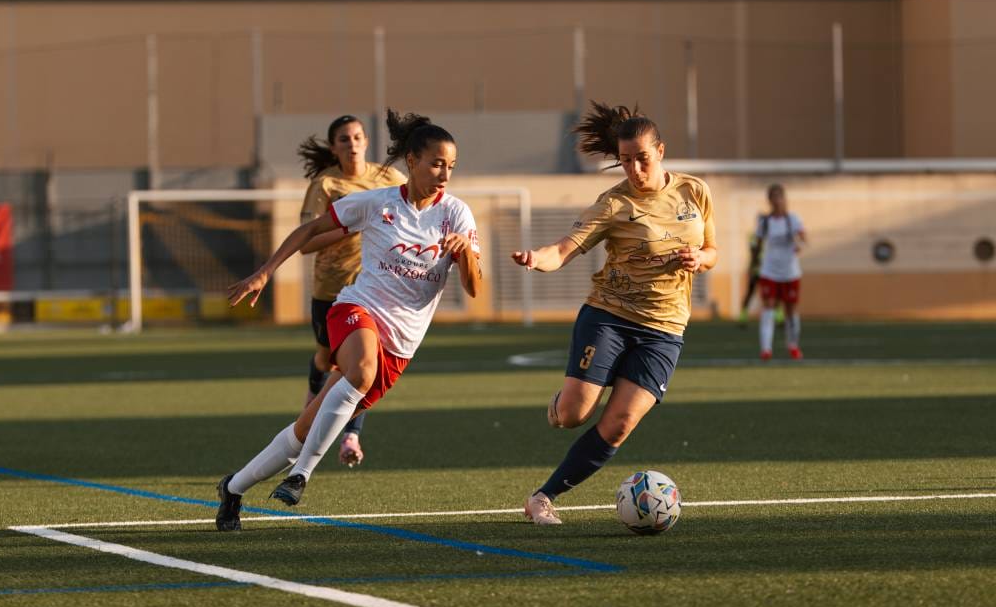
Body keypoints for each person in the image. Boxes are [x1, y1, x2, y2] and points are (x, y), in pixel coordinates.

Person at [215, 111, 481, 531]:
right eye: (436, 163)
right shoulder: (377, 202)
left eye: (451, 166)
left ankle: (233, 488)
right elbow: (308, 232)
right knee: (359, 370)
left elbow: (473, 288)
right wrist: (266, 271)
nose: (445, 173)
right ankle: (301, 475)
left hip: (401, 343)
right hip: (355, 309)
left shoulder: (458, 215)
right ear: (411, 161)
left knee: (305, 428)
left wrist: (465, 250)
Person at [511, 101, 716, 526]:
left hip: (664, 330)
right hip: (610, 316)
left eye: (642, 158)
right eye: (626, 161)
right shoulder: (612, 204)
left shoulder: (694, 191)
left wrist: (701, 257)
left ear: (660, 150)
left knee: (620, 424)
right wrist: (536, 258)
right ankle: (561, 404)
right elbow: (564, 249)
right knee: (573, 415)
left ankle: (542, 498)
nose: (635, 170)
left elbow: (713, 249)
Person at [297, 115, 406, 467]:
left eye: (358, 136)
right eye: (344, 139)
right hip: (331, 289)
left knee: (362, 364)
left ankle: (350, 435)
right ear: (334, 147)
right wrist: (350, 227)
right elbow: (306, 242)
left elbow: (417, 208)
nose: (353, 143)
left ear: (366, 141)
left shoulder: (388, 178)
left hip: (373, 290)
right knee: (326, 360)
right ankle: (309, 412)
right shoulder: (325, 184)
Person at [751, 184, 806, 360]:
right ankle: (766, 349)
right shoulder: (765, 222)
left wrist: (799, 244)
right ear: (769, 201)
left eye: (779, 197)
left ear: (784, 199)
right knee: (769, 308)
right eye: (773, 198)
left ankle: (793, 345)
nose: (777, 201)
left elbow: (804, 239)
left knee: (790, 310)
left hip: (790, 272)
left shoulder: (793, 220)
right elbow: (757, 243)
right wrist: (754, 262)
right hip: (769, 271)